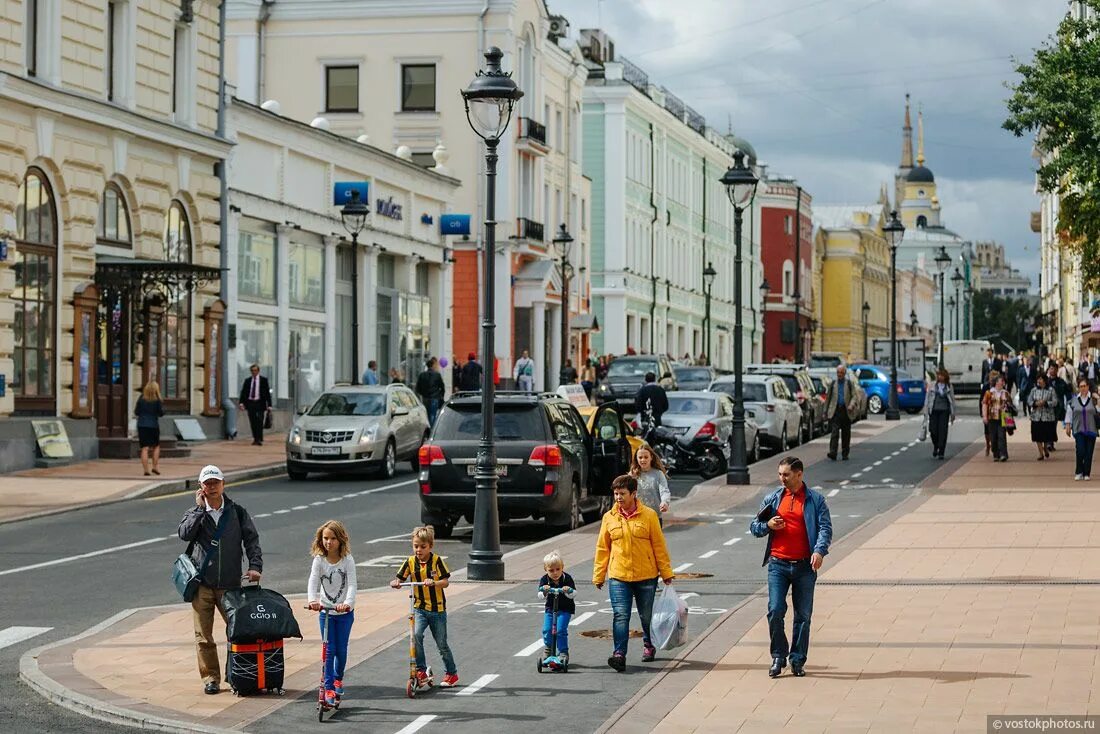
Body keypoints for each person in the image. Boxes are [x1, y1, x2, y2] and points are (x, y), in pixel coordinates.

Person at [177, 465, 263, 694]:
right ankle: (210, 679)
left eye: (216, 482)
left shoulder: (237, 512)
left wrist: (255, 566)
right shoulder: (195, 513)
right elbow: (184, 534)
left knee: (238, 632)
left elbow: (252, 540)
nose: (212, 487)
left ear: (224, 484)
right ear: (200, 487)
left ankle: (238, 675)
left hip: (230, 585)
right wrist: (198, 510)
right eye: (207, 483)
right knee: (203, 636)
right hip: (202, 585)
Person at [749, 456, 833, 678]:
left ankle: (797, 660)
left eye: (786, 474)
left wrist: (819, 550)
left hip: (805, 566)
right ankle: (778, 655)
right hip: (778, 565)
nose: (782, 479)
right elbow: (754, 527)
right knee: (775, 610)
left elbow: (825, 528)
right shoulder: (773, 498)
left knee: (803, 616)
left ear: (799, 474)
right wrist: (768, 525)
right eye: (779, 474)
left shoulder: (815, 500)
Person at [593, 474, 674, 672]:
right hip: (619, 576)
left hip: (646, 576)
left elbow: (659, 546)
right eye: (616, 494)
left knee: (646, 616)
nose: (618, 498)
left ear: (633, 494)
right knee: (621, 615)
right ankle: (619, 654)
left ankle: (649, 645)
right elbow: (603, 548)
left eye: (622, 494)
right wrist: (599, 574)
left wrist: (666, 573)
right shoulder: (609, 517)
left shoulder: (649, 516)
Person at [389, 526, 459, 688]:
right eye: (415, 546)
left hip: (437, 609)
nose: (418, 550)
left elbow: (446, 582)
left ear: (430, 546)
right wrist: (397, 582)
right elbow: (399, 578)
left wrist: (433, 582)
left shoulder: (437, 561)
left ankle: (451, 674)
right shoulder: (410, 561)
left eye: (423, 546)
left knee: (441, 644)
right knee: (416, 636)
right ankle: (420, 669)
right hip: (419, 608)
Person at [307, 521, 357, 708]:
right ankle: (328, 687)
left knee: (340, 649)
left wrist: (347, 603)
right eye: (325, 538)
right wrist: (313, 600)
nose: (329, 542)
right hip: (326, 613)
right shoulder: (319, 560)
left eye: (333, 538)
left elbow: (352, 584)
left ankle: (338, 679)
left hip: (344, 613)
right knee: (329, 650)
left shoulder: (347, 560)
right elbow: (313, 581)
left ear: (340, 540)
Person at [537, 551, 576, 665]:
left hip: (565, 609)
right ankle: (548, 649)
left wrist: (568, 590)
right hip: (550, 609)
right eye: (551, 570)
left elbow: (574, 593)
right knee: (547, 629)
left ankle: (563, 652)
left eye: (558, 569)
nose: (555, 573)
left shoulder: (567, 578)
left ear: (562, 567)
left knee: (560, 630)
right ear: (546, 569)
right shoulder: (545, 580)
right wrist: (544, 591)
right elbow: (540, 596)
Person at [1066, 378, 1100, 481]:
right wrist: (1068, 425)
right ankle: (1079, 471)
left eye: (1085, 386)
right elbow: (1069, 413)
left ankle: (1086, 473)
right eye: (1081, 386)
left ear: (1088, 387)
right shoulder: (1074, 400)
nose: (1083, 388)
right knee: (1080, 451)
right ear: (1078, 388)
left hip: (1091, 430)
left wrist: (1098, 399)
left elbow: (1098, 411)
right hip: (1078, 429)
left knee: (1089, 453)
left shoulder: (1093, 400)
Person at [824, 365, 860, 461]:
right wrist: (825, 411)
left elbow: (854, 396)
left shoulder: (849, 383)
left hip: (846, 411)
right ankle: (833, 452)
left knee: (846, 433)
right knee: (834, 433)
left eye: (841, 373)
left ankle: (845, 453)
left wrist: (851, 405)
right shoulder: (833, 384)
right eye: (838, 373)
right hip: (836, 411)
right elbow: (828, 398)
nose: (839, 374)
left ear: (844, 373)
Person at [922, 368, 957, 460]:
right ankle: (936, 445)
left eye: (941, 375)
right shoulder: (932, 385)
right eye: (938, 375)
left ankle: (941, 451)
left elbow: (952, 400)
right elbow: (927, 398)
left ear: (945, 377)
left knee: (943, 431)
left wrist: (953, 413)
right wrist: (925, 410)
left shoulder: (949, 386)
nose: (939, 377)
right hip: (933, 410)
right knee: (933, 430)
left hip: (944, 411)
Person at [631, 445, 671, 525]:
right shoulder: (632, 475)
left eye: (646, 457)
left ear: (651, 457)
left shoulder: (658, 474)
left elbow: (664, 491)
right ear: (636, 458)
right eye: (640, 457)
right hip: (637, 517)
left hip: (655, 516)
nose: (643, 460)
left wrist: (664, 502)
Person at [135, 380, 165, 476]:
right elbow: (161, 413)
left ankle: (146, 470)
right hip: (153, 425)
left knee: (144, 448)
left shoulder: (141, 398)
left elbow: (136, 412)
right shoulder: (157, 400)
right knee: (156, 446)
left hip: (142, 425)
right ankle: (155, 467)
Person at [238, 363, 272, 446]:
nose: (254, 372)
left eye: (256, 370)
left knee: (260, 421)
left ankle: (259, 438)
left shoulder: (263, 380)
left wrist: (269, 405)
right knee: (253, 421)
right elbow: (243, 392)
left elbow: (267, 393)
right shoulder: (248, 381)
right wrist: (241, 403)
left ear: (258, 371)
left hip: (260, 403)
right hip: (250, 403)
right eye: (252, 371)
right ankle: (255, 438)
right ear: (251, 371)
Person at [1028, 373, 1058, 461]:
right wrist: (1035, 403)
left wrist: (1046, 403)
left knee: (1046, 435)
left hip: (1047, 417)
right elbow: (1029, 400)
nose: (1039, 381)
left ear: (1044, 380)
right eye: (1038, 379)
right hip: (1036, 416)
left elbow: (1055, 402)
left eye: (1040, 379)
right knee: (1037, 435)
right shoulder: (1033, 390)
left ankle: (1045, 448)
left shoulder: (1051, 390)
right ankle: (1041, 453)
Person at [982, 374, 1012, 462]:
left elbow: (1011, 405)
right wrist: (984, 416)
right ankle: (996, 454)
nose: (1002, 382)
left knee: (1001, 435)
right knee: (993, 437)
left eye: (1003, 381)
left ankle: (1003, 454)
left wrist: (1006, 406)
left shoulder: (1005, 393)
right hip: (992, 417)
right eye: (1001, 381)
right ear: (996, 382)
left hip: (1003, 417)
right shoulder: (989, 393)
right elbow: (984, 404)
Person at [415, 357, 446, 426]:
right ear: (433, 365)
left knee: (426, 415)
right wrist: (440, 396)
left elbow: (417, 388)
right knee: (432, 415)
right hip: (434, 398)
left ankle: (427, 429)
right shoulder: (437, 375)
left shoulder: (422, 375)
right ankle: (432, 432)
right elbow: (442, 387)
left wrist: (423, 394)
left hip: (425, 398)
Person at [1048, 364, 1071, 453]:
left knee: (1053, 424)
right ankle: (1050, 442)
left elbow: (1067, 392)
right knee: (1050, 424)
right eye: (1050, 369)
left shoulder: (1061, 382)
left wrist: (1069, 403)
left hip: (1057, 407)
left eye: (1053, 369)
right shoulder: (1046, 381)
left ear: (1057, 370)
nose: (1051, 370)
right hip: (1048, 406)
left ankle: (1050, 442)